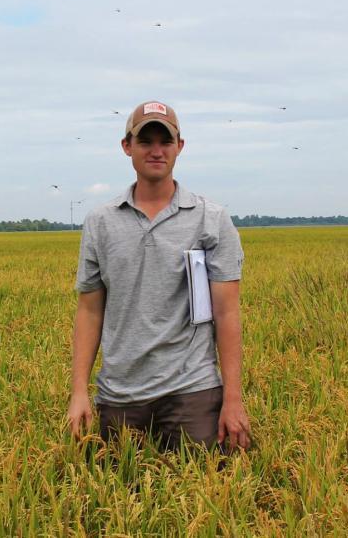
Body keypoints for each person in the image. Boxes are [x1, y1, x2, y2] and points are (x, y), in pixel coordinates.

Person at [66, 100, 251, 453]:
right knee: (119, 497)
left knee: (207, 488)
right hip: (120, 394)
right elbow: (89, 310)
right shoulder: (101, 222)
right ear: (127, 147)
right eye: (145, 141)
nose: (156, 151)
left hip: (192, 391)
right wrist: (79, 392)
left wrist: (233, 399)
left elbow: (227, 313)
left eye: (165, 142)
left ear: (179, 147)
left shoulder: (210, 219)